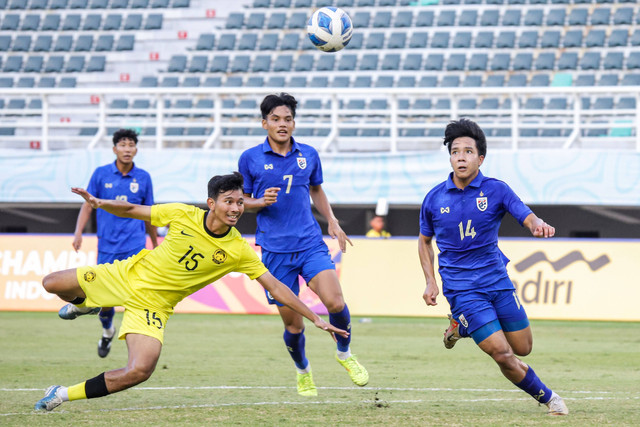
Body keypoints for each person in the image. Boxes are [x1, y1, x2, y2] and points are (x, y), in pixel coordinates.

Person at [34, 172, 348, 412]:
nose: (236, 208)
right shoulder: (182, 214)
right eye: (229, 201)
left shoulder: (238, 249)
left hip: (154, 306)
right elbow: (131, 208)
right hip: (125, 276)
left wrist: (315, 318)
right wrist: (100, 203)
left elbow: (276, 287)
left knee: (140, 370)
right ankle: (85, 304)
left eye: (240, 202)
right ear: (211, 203)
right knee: (52, 284)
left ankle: (60, 393)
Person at [417, 118, 569, 416]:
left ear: (480, 158)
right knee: (502, 353)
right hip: (462, 289)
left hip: (497, 281)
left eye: (468, 151)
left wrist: (537, 225)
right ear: (450, 157)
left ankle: (461, 327)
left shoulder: (496, 190)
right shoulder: (434, 198)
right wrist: (430, 281)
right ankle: (550, 398)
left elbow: (526, 215)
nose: (460, 156)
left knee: (523, 347)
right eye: (455, 151)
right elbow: (424, 242)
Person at [238, 93, 368, 397]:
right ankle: (303, 370)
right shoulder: (250, 158)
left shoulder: (308, 154)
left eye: (287, 119)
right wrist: (259, 201)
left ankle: (345, 353)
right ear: (264, 123)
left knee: (335, 302)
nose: (282, 124)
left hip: (310, 243)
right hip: (274, 251)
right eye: (275, 119)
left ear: (294, 122)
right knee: (294, 326)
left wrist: (333, 221)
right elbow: (239, 201)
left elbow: (316, 190)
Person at [68, 128, 158, 359]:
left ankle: (137, 348)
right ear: (114, 149)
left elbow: (149, 214)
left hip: (135, 245)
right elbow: (88, 204)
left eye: (131, 145)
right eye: (123, 145)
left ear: (136, 150)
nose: (127, 149)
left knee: (137, 294)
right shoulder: (101, 174)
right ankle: (108, 331)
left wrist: (155, 242)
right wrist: (78, 232)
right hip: (107, 245)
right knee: (105, 301)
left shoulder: (144, 177)